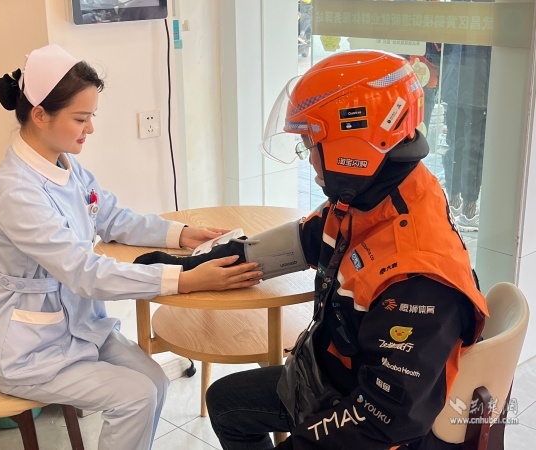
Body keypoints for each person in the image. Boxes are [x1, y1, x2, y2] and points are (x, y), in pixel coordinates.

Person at [137, 50, 489, 449]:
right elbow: (296, 242)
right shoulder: (377, 194)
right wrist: (184, 268)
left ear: (352, 146)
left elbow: (385, 420)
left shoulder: (418, 280)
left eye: (310, 144)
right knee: (225, 402)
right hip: (334, 376)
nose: (308, 161)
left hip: (381, 422)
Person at [0, 44, 263, 450]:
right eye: (81, 118)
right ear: (40, 115)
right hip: (29, 349)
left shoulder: (64, 164)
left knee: (155, 380)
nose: (90, 128)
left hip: (79, 328)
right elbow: (84, 273)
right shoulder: (16, 192)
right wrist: (185, 280)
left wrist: (180, 234)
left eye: (91, 116)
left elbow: (110, 216)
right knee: (136, 396)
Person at [440, 40, 490, 232]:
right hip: (478, 85)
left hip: (454, 81)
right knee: (473, 149)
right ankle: (469, 212)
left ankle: (453, 203)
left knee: (455, 144)